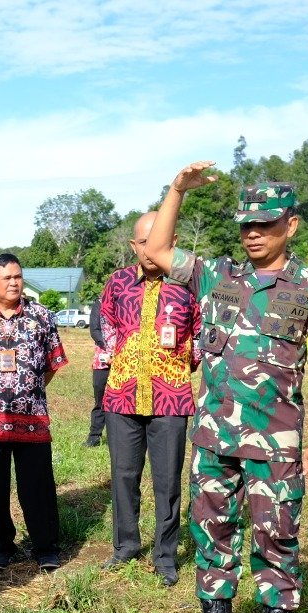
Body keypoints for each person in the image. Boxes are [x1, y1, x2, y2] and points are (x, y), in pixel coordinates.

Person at [145, 175, 308, 613]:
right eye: (246, 224)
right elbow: (157, 246)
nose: (253, 233)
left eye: (266, 224)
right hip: (214, 434)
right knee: (212, 525)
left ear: (291, 225)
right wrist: (177, 190)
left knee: (276, 532)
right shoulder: (215, 275)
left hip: (275, 441)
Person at [97, 211, 201, 584]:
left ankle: (165, 554)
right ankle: (126, 546)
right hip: (121, 398)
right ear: (134, 245)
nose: (149, 249)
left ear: (171, 243)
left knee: (168, 480)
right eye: (143, 242)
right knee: (123, 476)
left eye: (157, 241)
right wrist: (121, 356)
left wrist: (178, 365)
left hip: (170, 399)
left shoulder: (188, 286)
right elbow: (105, 323)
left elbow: (202, 335)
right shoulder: (118, 282)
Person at [0, 254, 67, 571]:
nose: (15, 282)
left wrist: (26, 389)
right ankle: (2, 546)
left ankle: (45, 546)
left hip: (31, 418)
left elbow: (51, 365)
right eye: (7, 278)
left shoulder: (41, 317)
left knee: (38, 485)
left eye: (18, 276)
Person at [84, 297, 110, 447]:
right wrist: (111, 348)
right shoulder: (99, 303)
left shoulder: (129, 302)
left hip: (127, 359)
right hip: (103, 359)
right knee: (100, 399)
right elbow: (95, 330)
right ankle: (94, 436)